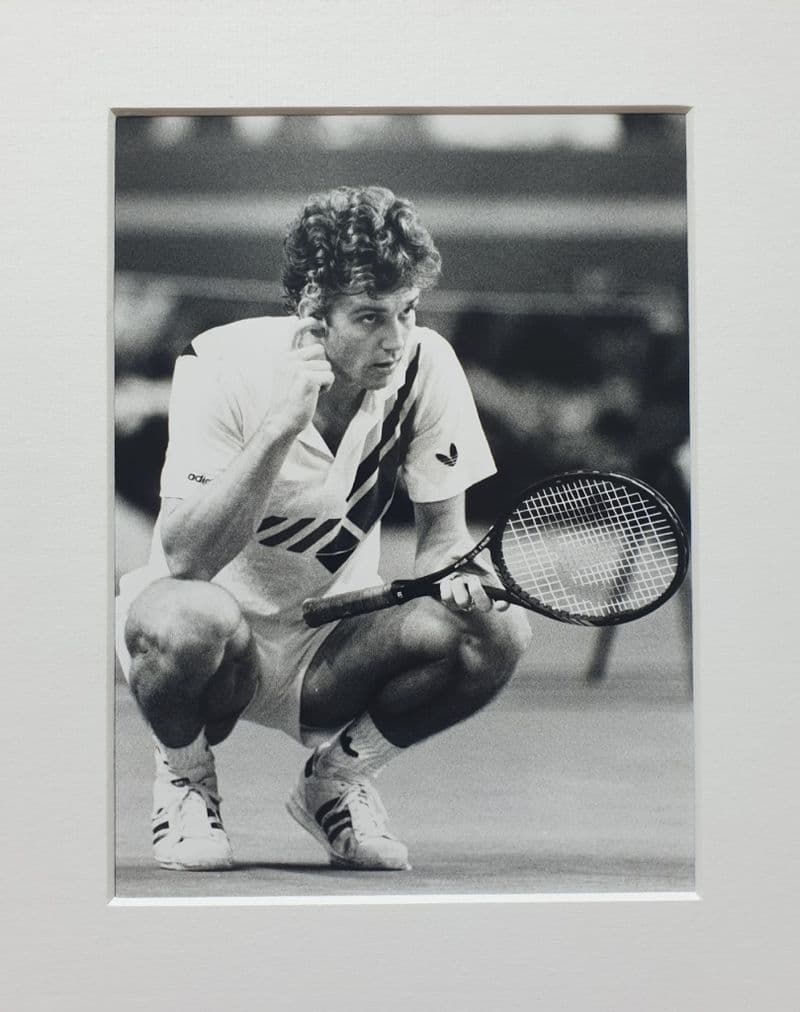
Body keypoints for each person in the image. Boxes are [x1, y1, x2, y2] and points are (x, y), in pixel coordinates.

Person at [116, 185, 532, 872]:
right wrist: (281, 425)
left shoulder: (426, 366)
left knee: (496, 632)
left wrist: (461, 574)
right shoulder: (222, 368)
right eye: (370, 317)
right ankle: (186, 777)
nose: (396, 339)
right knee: (188, 618)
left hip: (330, 647)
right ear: (314, 315)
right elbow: (185, 559)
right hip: (213, 651)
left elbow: (442, 540)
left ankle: (335, 782)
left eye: (407, 311)